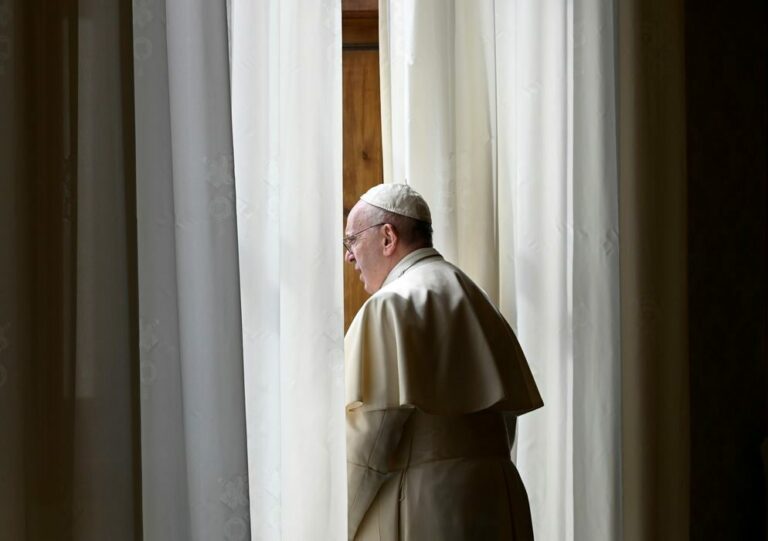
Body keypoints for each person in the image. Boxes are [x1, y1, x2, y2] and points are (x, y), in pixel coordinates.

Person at [344, 183, 544, 541]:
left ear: (388, 237)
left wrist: (337, 518)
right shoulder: (477, 297)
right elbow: (505, 422)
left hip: (427, 507)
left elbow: (372, 437)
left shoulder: (389, 305)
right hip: (499, 500)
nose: (349, 256)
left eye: (352, 241)